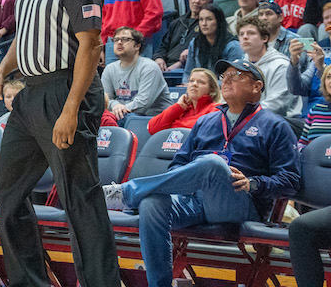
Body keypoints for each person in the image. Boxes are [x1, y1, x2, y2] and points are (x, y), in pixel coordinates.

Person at [0, 0, 119, 287]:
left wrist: (72, 108)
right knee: (7, 193)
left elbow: (91, 47)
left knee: (80, 200)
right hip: (31, 93)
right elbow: (24, 36)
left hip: (66, 91)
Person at [103, 59, 300, 287]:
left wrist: (253, 183)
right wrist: (187, 181)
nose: (226, 78)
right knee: (152, 203)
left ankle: (127, 193)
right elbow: (178, 165)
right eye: (224, 74)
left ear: (256, 87)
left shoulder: (276, 126)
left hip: (240, 204)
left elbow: (291, 181)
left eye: (236, 74)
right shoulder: (206, 121)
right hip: (194, 201)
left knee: (213, 164)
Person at [100, 26, 170, 120]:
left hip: (154, 119)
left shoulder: (149, 67)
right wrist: (116, 105)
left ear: (137, 45)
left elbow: (143, 103)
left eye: (125, 39)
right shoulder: (109, 69)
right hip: (124, 116)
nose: (119, 42)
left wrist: (120, 110)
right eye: (116, 40)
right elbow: (105, 99)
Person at [147, 68, 222, 134]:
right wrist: (178, 107)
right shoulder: (180, 110)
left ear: (211, 89)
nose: (194, 84)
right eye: (191, 81)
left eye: (201, 82)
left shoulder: (216, 110)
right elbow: (152, 128)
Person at [185, 4, 242, 76]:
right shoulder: (194, 43)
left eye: (209, 19)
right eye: (201, 19)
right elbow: (188, 73)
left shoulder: (233, 46)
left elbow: (234, 77)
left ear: (219, 21)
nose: (204, 24)